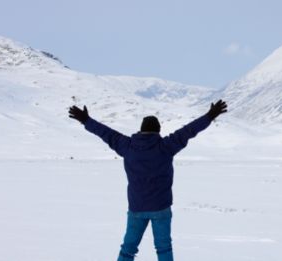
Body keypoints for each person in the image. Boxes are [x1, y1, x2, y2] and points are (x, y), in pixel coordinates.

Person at [68, 100, 228, 261]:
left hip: (137, 207)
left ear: (141, 130)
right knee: (164, 248)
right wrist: (210, 116)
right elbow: (189, 130)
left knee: (128, 248)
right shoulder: (166, 146)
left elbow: (105, 133)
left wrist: (86, 120)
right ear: (158, 131)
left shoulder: (127, 146)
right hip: (161, 207)